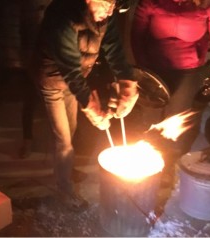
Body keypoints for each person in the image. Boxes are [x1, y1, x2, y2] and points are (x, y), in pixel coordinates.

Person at [33, 0, 138, 211]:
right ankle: (64, 190)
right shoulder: (62, 17)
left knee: (70, 130)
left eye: (113, 6)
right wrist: (91, 106)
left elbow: (115, 51)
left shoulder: (104, 17)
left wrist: (128, 82)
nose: (110, 11)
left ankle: (66, 169)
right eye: (106, 4)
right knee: (63, 139)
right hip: (52, 79)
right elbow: (70, 69)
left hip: (74, 79)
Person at [131, 0, 210, 168]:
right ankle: (148, 164)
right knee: (150, 120)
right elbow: (137, 33)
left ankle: (172, 166)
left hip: (188, 70)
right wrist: (143, 70)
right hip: (154, 69)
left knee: (180, 124)